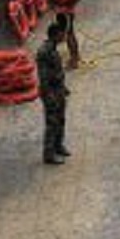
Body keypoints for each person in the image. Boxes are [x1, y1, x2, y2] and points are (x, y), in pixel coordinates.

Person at [36, 22, 71, 164]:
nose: (64, 36)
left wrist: (63, 88)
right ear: (56, 34)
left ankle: (58, 145)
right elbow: (43, 77)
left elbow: (56, 72)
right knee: (52, 123)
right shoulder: (44, 52)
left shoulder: (53, 49)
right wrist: (48, 95)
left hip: (58, 90)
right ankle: (49, 154)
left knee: (61, 120)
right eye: (62, 34)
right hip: (51, 92)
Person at [51, 0, 82, 69]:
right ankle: (74, 56)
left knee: (70, 34)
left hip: (67, 13)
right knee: (65, 33)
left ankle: (75, 59)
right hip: (60, 13)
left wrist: (63, 3)